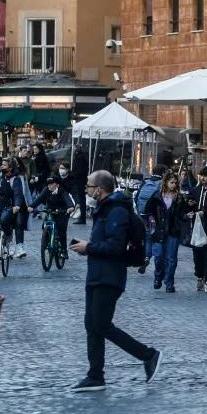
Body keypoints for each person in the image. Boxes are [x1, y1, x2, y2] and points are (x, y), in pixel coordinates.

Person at [68, 170, 163, 392]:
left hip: (109, 277)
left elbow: (115, 246)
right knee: (91, 324)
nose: (87, 190)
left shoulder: (117, 211)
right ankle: (95, 376)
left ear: (100, 189)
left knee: (100, 324)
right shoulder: (104, 209)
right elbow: (107, 242)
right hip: (97, 274)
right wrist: (87, 248)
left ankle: (148, 355)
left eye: (89, 186)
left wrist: (88, 247)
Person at [144, 173, 189, 293]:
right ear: (165, 183)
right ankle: (158, 277)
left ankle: (169, 283)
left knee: (171, 258)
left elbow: (182, 213)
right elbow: (148, 211)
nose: (173, 185)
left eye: (175, 183)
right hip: (158, 231)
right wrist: (151, 219)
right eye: (171, 182)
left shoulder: (179, 198)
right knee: (158, 256)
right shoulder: (157, 196)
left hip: (173, 231)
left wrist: (186, 216)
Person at [0, 158, 29, 259]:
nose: (2, 167)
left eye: (4, 165)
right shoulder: (0, 176)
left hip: (16, 207)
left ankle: (19, 247)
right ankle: (5, 242)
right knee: (2, 223)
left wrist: (18, 205)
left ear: (10, 167)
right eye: (2, 165)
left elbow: (20, 193)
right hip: (2, 206)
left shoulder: (17, 178)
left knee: (19, 224)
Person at [32, 177, 76, 258]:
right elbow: (39, 199)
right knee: (45, 225)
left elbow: (67, 199)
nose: (49, 186)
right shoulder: (46, 190)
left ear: (57, 185)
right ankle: (46, 241)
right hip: (50, 210)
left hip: (62, 211)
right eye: (48, 184)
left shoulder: (62, 191)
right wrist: (31, 206)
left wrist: (70, 207)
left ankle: (64, 250)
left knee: (61, 228)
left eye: (52, 184)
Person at [134, 165, 166, 273]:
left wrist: (139, 211)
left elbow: (136, 196)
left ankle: (146, 257)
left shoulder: (145, 182)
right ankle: (157, 259)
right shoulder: (161, 184)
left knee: (148, 236)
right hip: (154, 215)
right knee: (156, 236)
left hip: (143, 213)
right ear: (163, 173)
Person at [70, 146, 88, 224]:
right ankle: (82, 217)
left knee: (81, 199)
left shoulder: (79, 158)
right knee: (81, 199)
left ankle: (82, 218)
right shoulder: (83, 157)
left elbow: (78, 171)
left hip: (79, 181)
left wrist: (72, 174)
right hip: (82, 181)